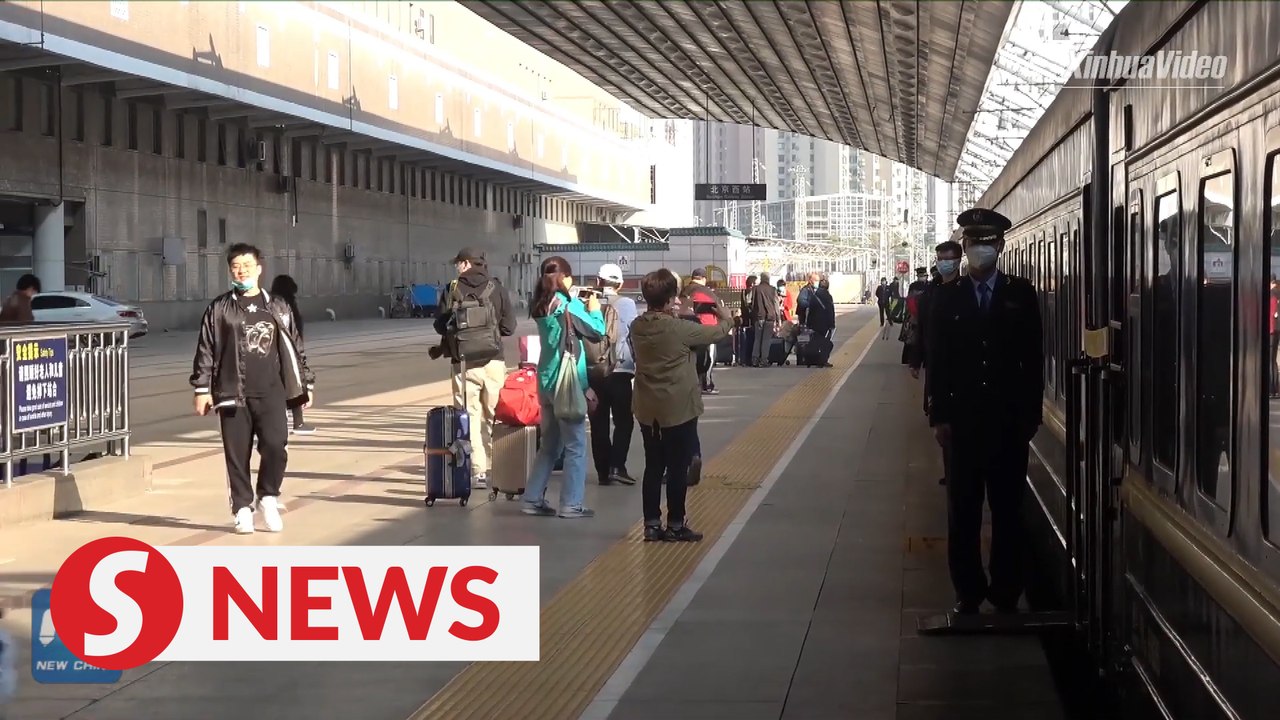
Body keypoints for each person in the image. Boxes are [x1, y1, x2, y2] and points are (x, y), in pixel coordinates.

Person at [927, 208, 1043, 615]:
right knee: (963, 511)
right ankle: (968, 592)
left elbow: (1034, 359)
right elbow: (937, 360)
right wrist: (938, 415)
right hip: (962, 424)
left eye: (989, 242)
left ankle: (1007, 591)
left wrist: (1031, 415)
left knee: (1009, 510)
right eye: (975, 242)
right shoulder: (947, 297)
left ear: (1001, 246)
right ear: (964, 248)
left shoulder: (1021, 294)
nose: (982, 250)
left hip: (1009, 424)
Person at [191, 243, 315, 534]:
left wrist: (306, 382)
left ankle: (268, 496)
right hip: (232, 391)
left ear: (259, 268)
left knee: (276, 446)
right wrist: (201, 388)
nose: (241, 270)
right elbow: (205, 348)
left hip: (272, 392)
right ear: (230, 271)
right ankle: (242, 507)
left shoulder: (278, 306)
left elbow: (296, 346)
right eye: (236, 266)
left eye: (247, 265)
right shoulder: (219, 308)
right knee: (237, 454)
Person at [630, 268, 732, 542]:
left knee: (653, 466)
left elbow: (662, 323)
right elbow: (721, 330)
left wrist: (676, 308)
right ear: (669, 299)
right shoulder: (681, 329)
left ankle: (652, 524)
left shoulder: (637, 327)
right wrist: (722, 309)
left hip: (647, 408)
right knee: (677, 467)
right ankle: (675, 522)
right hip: (678, 408)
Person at [522, 256, 605, 519]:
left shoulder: (540, 304)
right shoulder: (567, 305)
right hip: (566, 383)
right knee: (576, 446)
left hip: (545, 380)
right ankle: (571, 504)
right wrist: (593, 308)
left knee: (549, 445)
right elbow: (597, 332)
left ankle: (532, 498)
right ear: (564, 277)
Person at [432, 247, 517, 491]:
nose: (456, 267)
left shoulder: (452, 288)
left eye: (458, 263)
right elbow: (509, 327)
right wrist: (488, 337)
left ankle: (477, 471)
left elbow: (439, 325)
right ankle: (498, 467)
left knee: (467, 417)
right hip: (494, 362)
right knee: (495, 416)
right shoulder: (497, 287)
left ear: (467, 263)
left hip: (463, 363)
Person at [911, 240, 964, 486]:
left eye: (949, 258)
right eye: (941, 259)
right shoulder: (931, 293)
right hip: (937, 365)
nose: (945, 263)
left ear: (958, 260)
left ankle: (957, 470)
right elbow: (921, 328)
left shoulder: (966, 290)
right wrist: (916, 359)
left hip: (961, 369)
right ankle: (951, 470)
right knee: (943, 421)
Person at [590, 262, 638, 486]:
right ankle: (617, 466)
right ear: (619, 284)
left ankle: (603, 472)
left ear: (598, 281)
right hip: (620, 369)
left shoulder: (586, 302)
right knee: (623, 421)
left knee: (598, 423)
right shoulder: (626, 303)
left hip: (594, 370)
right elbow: (632, 333)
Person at [269, 274, 316, 435]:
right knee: (294, 383)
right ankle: (298, 423)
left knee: (281, 386)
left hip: (273, 353)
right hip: (289, 350)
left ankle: (281, 423)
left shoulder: (269, 302)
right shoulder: (287, 304)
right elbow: (295, 332)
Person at [680, 267, 721, 395]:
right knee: (708, 357)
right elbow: (719, 307)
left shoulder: (684, 291)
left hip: (685, 329)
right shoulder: (707, 292)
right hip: (707, 328)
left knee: (692, 358)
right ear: (703, 279)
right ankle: (706, 384)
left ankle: (692, 384)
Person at [750, 272, 780, 366]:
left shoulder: (755, 289)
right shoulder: (772, 289)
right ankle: (763, 360)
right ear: (768, 279)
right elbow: (776, 305)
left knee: (757, 339)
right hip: (770, 317)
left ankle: (755, 359)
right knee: (766, 339)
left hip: (759, 316)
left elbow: (750, 302)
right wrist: (778, 318)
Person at [738, 274, 757, 366]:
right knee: (750, 340)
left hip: (745, 320)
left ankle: (743, 359)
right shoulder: (751, 292)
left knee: (744, 341)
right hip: (750, 320)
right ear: (752, 283)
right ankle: (748, 360)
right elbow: (749, 305)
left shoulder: (743, 292)